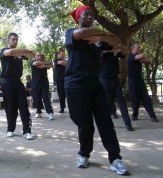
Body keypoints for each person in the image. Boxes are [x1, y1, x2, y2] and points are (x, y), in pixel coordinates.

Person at [65, 5, 129, 175]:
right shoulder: (71, 33)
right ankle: (84, 153)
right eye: (86, 14)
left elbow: (118, 43)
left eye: (92, 15)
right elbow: (80, 34)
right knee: (85, 125)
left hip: (95, 86)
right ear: (79, 18)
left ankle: (115, 158)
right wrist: (102, 36)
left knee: (106, 123)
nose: (90, 17)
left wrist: (104, 39)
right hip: (75, 86)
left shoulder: (98, 43)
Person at [0, 32, 35, 140]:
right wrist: (22, 51)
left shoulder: (19, 54)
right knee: (10, 108)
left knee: (24, 107)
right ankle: (10, 129)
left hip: (18, 82)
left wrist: (24, 52)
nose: (15, 41)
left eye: (16, 40)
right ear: (8, 40)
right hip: (6, 81)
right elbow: (10, 52)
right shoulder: (3, 51)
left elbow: (32, 55)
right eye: (13, 39)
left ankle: (27, 131)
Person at [99, 51, 134, 131]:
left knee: (122, 102)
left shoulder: (115, 48)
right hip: (104, 79)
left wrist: (120, 48)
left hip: (115, 79)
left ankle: (128, 124)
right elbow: (102, 53)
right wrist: (113, 50)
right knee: (107, 104)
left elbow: (123, 55)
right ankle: (107, 125)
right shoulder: (100, 46)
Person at [128, 43, 159, 122]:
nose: (139, 49)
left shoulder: (137, 58)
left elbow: (149, 60)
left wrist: (145, 58)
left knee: (146, 98)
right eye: (138, 48)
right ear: (133, 49)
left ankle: (152, 116)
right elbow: (142, 56)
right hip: (132, 81)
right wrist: (142, 55)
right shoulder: (131, 56)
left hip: (140, 81)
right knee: (135, 99)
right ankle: (135, 115)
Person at [31, 52, 54, 120]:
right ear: (35, 57)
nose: (40, 57)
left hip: (44, 84)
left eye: (41, 55)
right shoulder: (32, 62)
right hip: (35, 84)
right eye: (38, 55)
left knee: (46, 98)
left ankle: (50, 113)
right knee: (36, 99)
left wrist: (45, 66)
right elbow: (37, 63)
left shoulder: (44, 63)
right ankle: (38, 112)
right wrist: (46, 64)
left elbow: (52, 65)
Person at [54, 48, 67, 113]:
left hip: (66, 79)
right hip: (59, 79)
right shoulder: (56, 60)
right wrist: (66, 62)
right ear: (58, 54)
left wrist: (66, 62)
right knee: (61, 93)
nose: (63, 55)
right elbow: (62, 63)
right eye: (62, 54)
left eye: (64, 54)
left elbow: (66, 63)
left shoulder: (65, 60)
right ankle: (62, 107)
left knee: (67, 93)